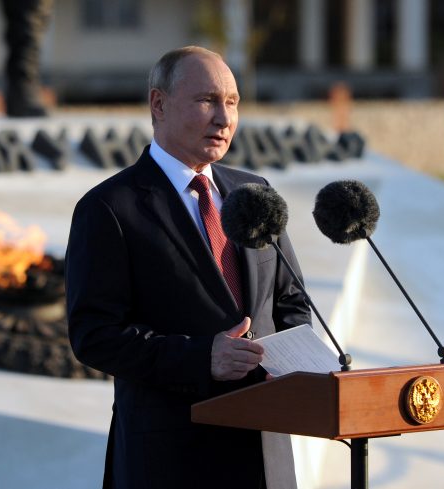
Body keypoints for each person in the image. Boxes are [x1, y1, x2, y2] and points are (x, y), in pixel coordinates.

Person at [66, 46, 311, 489]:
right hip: (171, 459)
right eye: (207, 100)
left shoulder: (254, 193)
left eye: (232, 102)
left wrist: (294, 362)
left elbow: (291, 300)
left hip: (265, 453)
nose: (224, 118)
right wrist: (202, 358)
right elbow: (94, 336)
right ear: (159, 104)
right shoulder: (109, 208)